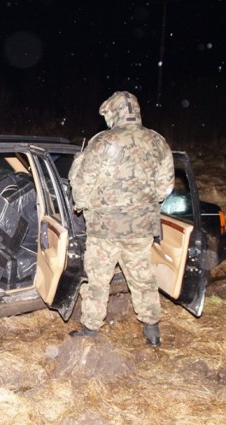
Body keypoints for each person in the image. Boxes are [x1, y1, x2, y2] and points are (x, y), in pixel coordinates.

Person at [68, 91, 174, 347]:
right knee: (142, 278)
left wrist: (81, 204)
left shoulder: (103, 142)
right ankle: (152, 331)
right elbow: (165, 187)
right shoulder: (157, 141)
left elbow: (82, 183)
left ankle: (91, 329)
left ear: (113, 112)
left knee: (97, 280)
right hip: (140, 228)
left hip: (105, 229)